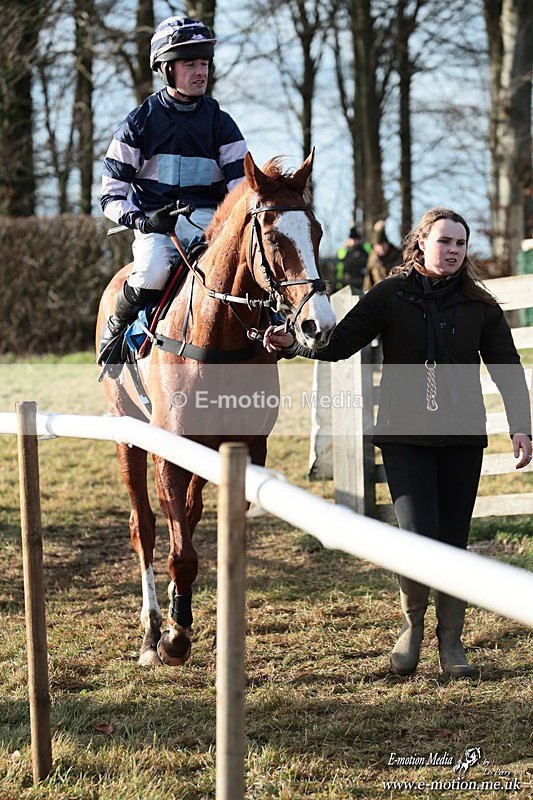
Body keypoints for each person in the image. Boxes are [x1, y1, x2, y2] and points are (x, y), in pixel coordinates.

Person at [264, 207, 532, 678]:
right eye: (444, 241)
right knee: (416, 537)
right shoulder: (390, 294)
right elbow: (339, 344)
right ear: (421, 242)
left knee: (453, 541)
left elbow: (507, 371)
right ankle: (411, 629)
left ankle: (452, 644)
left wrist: (522, 427)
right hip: (405, 436)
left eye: (460, 244)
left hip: (463, 436)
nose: (452, 251)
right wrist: (294, 345)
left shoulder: (480, 304)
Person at [98, 16, 248, 375]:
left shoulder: (222, 123)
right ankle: (115, 333)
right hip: (157, 229)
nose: (200, 72)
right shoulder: (138, 123)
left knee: (246, 271)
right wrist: (143, 220)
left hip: (209, 226)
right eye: (189, 64)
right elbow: (110, 194)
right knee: (150, 272)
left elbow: (241, 189)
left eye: (204, 63)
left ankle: (279, 331)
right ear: (166, 70)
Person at [362, 219, 402, 291]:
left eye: (383, 244)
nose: (381, 247)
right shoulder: (372, 259)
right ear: (374, 246)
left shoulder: (398, 257)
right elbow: (368, 282)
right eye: (378, 244)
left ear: (388, 244)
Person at [335, 225, 370, 292]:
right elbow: (339, 269)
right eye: (352, 239)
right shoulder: (344, 252)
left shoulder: (365, 250)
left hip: (363, 285)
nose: (354, 241)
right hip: (347, 285)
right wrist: (339, 285)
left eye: (356, 239)